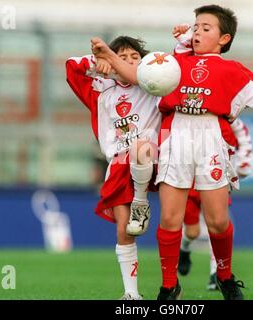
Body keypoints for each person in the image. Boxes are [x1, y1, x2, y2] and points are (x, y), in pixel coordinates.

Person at [92, 4, 253, 301]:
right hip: (176, 135)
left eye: (205, 28)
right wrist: (108, 54)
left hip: (210, 137)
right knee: (170, 220)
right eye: (196, 26)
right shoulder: (174, 62)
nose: (197, 31)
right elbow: (135, 75)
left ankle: (225, 277)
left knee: (217, 220)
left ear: (223, 39)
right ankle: (168, 286)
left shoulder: (232, 69)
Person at [66, 36, 161, 300]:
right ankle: (131, 294)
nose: (128, 62)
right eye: (121, 56)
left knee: (142, 146)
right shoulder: (101, 88)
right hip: (119, 164)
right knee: (124, 229)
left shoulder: (152, 84)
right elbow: (71, 67)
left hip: (157, 159)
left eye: (134, 57)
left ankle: (141, 203)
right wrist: (97, 61)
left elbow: (174, 69)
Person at [178, 118, 253, 291]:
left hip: (217, 181)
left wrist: (243, 165)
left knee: (218, 226)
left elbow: (244, 139)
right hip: (190, 184)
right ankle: (184, 248)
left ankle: (216, 274)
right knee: (192, 232)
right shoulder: (189, 120)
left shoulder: (230, 121)